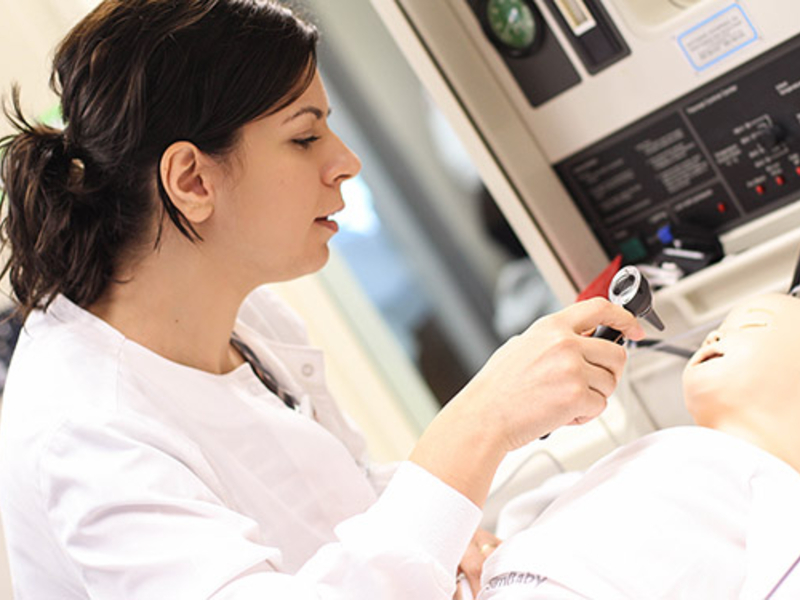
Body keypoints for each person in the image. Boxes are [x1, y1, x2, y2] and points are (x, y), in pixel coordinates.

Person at [0, 1, 644, 598]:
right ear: (192, 180)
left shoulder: (243, 319)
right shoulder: (85, 432)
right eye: (305, 138)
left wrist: (449, 536)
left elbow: (342, 503)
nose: (346, 163)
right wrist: (481, 421)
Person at [477, 292, 800, 599]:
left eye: (752, 326)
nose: (712, 337)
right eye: (716, 330)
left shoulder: (777, 487)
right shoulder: (660, 449)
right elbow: (536, 512)